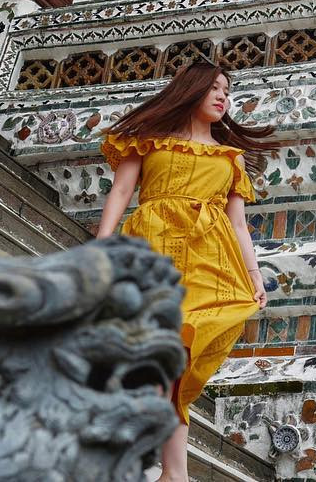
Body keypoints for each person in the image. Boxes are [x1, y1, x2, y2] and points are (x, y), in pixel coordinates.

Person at [96, 62, 280, 482]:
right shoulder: (147, 141)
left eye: (227, 91)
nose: (222, 97)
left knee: (177, 362)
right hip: (153, 253)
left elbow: (238, 224)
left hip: (208, 262)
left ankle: (172, 473)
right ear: (190, 90)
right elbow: (122, 192)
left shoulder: (230, 158)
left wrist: (254, 275)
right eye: (213, 87)